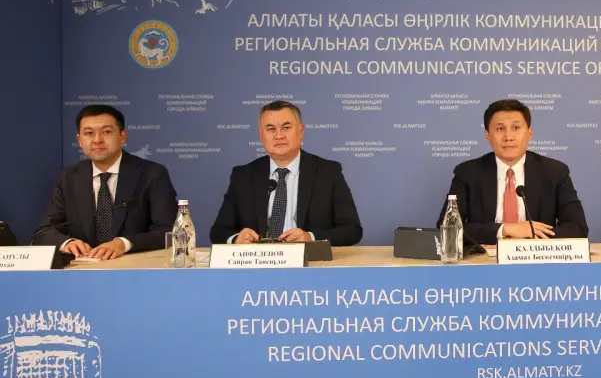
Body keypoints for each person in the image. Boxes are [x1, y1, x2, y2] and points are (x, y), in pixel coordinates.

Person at [33, 105, 178, 260]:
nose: (97, 140)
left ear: (122, 136)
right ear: (79, 140)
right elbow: (44, 232)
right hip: (83, 267)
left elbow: (168, 230)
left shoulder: (152, 174)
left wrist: (124, 244)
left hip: (134, 266)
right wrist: (67, 243)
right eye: (89, 133)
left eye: (106, 132)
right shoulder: (68, 178)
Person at [209, 101, 363, 245]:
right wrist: (236, 239)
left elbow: (352, 230)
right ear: (261, 135)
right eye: (270, 129)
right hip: (259, 262)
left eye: (286, 127)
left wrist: (310, 237)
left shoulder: (328, 173)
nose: (279, 136)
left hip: (309, 261)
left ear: (301, 131)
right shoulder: (243, 176)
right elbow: (218, 231)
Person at [440, 99, 588, 245]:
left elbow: (577, 227)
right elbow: (447, 228)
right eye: (500, 129)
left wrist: (533, 236)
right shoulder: (468, 173)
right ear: (487, 135)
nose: (508, 137)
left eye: (516, 128)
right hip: (486, 256)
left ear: (529, 133)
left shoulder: (554, 172)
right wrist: (504, 229)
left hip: (535, 255)